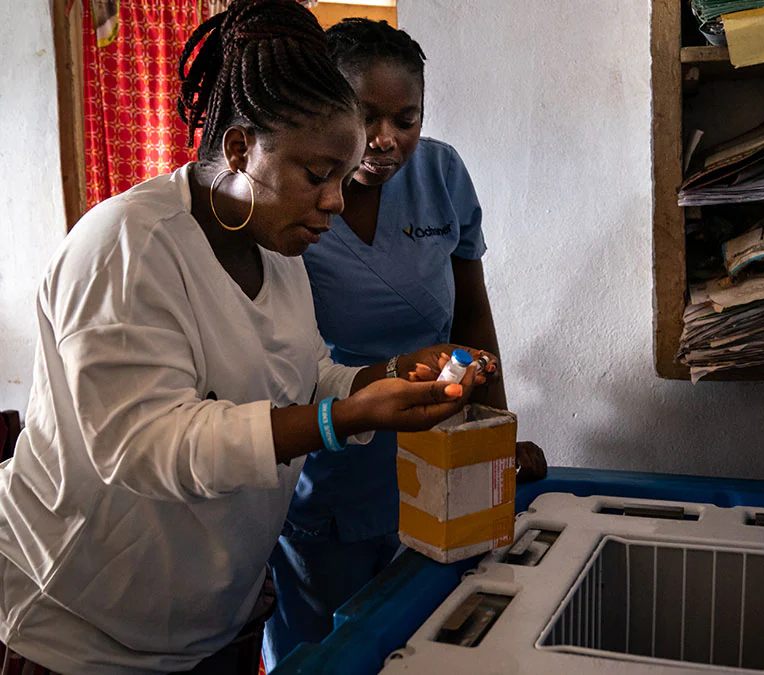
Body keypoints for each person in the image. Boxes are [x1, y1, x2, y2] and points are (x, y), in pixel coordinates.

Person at [0, 1, 494, 673]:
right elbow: (140, 442)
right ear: (239, 148)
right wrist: (337, 417)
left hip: (208, 621)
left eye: (339, 180)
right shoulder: (128, 246)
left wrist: (385, 376)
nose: (335, 204)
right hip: (86, 626)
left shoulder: (278, 253)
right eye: (317, 176)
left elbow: (305, 372)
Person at [262, 19, 546, 669]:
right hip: (329, 459)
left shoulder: (443, 173)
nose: (386, 140)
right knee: (325, 653)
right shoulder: (293, 197)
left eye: (406, 118)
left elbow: (471, 312)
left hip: (439, 443)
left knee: (425, 642)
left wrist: (496, 432)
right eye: (365, 116)